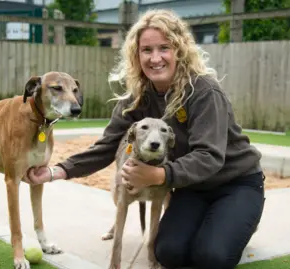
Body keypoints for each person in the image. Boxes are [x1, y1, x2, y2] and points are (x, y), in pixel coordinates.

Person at [27, 9, 266, 269]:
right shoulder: (137, 98)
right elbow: (107, 146)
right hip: (192, 189)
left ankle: (242, 220)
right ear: (136, 55)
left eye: (164, 48)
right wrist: (56, 171)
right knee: (169, 253)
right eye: (146, 50)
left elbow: (209, 156)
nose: (155, 58)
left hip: (236, 184)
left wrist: (158, 176)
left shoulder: (204, 92)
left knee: (211, 257)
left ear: (179, 50)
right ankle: (213, 223)